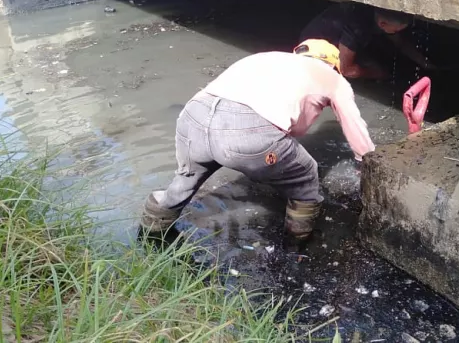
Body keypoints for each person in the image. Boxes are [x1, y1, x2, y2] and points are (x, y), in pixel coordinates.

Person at [141, 39, 375, 241]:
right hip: (246, 135)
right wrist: (368, 162)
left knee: (183, 182)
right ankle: (297, 244)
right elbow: (355, 127)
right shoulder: (332, 78)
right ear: (333, 65)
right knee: (306, 173)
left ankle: (150, 237)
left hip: (193, 118)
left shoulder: (265, 58)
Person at [299, 1, 434, 80]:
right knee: (371, 68)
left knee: (378, 58)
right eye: (396, 30)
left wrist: (424, 63)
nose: (397, 33)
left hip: (341, 38)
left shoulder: (377, 13)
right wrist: (376, 73)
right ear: (382, 24)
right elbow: (346, 69)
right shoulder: (358, 27)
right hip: (312, 49)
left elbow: (400, 44)